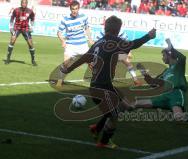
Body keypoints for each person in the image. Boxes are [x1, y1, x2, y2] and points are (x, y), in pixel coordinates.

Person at [60, 15, 156, 148]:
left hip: (97, 86)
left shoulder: (98, 43)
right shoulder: (116, 41)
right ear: (118, 29)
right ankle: (104, 142)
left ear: (105, 28)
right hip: (103, 87)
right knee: (115, 115)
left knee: (122, 107)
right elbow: (134, 44)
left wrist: (68, 69)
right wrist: (149, 36)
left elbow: (84, 58)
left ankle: (96, 128)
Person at [134, 39, 188, 129]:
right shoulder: (166, 71)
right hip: (164, 96)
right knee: (137, 103)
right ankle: (119, 109)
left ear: (169, 55)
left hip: (175, 94)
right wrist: (143, 71)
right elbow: (152, 83)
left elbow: (183, 58)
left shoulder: (178, 66)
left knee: (178, 117)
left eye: (164, 55)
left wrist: (171, 47)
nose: (162, 58)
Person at [57, 0, 94, 86]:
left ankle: (98, 80)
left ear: (78, 9)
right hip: (71, 46)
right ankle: (59, 81)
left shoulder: (83, 17)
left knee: (92, 64)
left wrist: (90, 39)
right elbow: (59, 32)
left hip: (83, 45)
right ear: (70, 9)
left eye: (76, 9)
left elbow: (87, 28)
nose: (74, 11)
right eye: (73, 9)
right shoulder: (65, 20)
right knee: (66, 63)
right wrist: (62, 41)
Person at [5, 0, 37, 66]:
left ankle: (33, 60)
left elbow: (33, 18)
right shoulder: (16, 10)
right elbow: (12, 18)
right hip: (17, 27)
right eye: (23, 3)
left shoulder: (30, 11)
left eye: (25, 3)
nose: (24, 4)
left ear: (27, 4)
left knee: (30, 44)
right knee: (12, 40)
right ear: (21, 3)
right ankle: (8, 58)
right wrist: (11, 27)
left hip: (26, 28)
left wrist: (32, 26)